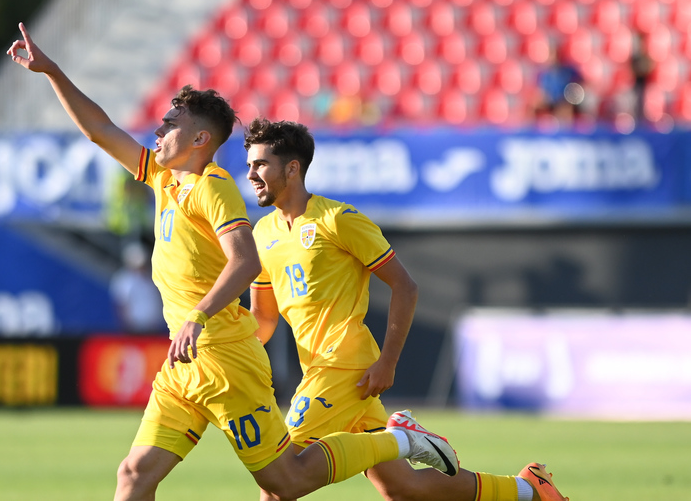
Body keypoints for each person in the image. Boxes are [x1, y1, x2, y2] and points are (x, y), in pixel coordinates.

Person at [6, 23, 460, 501]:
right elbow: (100, 130)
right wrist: (51, 71)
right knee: (134, 474)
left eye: (170, 124)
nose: (158, 130)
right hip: (185, 361)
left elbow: (244, 262)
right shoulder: (165, 180)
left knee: (286, 481)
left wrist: (199, 318)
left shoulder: (213, 185)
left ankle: (402, 439)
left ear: (200, 139)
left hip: (224, 356)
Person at [244, 118, 570, 501]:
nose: (250, 174)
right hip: (319, 366)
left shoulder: (337, 219)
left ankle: (404, 437)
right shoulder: (262, 234)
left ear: (293, 168)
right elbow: (263, 318)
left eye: (260, 164)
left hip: (342, 363)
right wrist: (227, 350)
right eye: (250, 165)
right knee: (405, 487)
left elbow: (405, 286)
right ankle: (528, 490)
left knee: (279, 482)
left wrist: (388, 362)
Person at [110, 241, 167, 334]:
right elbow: (121, 304)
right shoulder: (124, 280)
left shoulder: (153, 276)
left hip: (155, 327)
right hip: (135, 328)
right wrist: (127, 325)